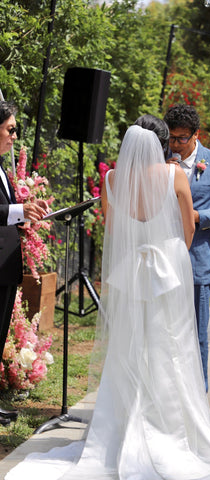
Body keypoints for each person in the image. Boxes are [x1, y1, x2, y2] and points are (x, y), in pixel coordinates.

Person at [6, 116, 210, 480]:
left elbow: (113, 226)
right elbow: (188, 225)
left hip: (130, 272)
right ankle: (168, 428)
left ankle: (120, 429)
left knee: (130, 346)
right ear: (162, 143)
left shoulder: (111, 179)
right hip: (167, 271)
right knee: (170, 347)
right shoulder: (174, 176)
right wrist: (174, 257)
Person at [164, 104, 210, 392]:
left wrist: (197, 216)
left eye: (181, 138)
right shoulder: (160, 159)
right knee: (164, 333)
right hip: (162, 259)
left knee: (196, 335)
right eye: (170, 138)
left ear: (196, 134)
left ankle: (198, 395)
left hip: (198, 261)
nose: (174, 144)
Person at [0, 101, 49, 426]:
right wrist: (20, 212)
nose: (14, 136)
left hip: (4, 268)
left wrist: (27, 208)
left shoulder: (2, 168)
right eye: (10, 129)